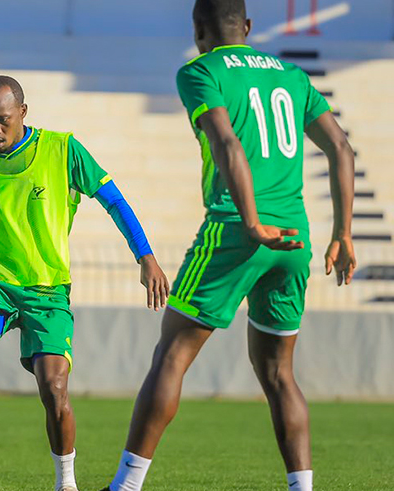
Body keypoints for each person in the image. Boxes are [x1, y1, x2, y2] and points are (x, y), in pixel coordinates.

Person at [101, 1, 356, 491]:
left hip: (237, 230)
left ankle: (125, 486)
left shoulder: (200, 71)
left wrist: (252, 223)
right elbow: (341, 148)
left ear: (198, 31)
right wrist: (342, 233)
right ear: (249, 28)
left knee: (171, 355)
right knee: (279, 373)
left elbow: (227, 143)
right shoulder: (291, 75)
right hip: (295, 238)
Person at [0, 75, 169, 491]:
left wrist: (146, 256)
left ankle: (66, 483)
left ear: (23, 113)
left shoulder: (64, 150)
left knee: (55, 388)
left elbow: (114, 200)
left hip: (48, 289)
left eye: (3, 120)